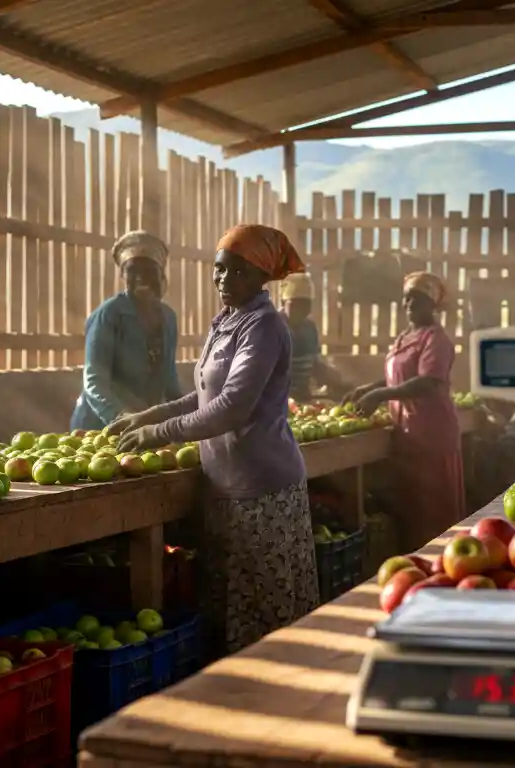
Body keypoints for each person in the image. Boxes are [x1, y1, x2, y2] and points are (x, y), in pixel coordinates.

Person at [109, 224, 319, 656]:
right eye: (219, 270)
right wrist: (152, 414)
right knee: (232, 610)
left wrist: (158, 434)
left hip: (262, 490)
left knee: (265, 616)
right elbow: (205, 393)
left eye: (238, 272)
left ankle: (274, 705)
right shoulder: (227, 321)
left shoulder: (264, 326)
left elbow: (231, 408)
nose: (225, 280)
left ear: (262, 277)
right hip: (225, 486)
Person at [345, 271, 466, 550]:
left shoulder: (436, 339)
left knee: (434, 516)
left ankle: (438, 574)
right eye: (407, 297)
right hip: (408, 439)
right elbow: (397, 376)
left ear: (433, 304)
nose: (410, 303)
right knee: (413, 516)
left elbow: (428, 382)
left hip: (432, 438)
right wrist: (369, 387)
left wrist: (380, 394)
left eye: (419, 298)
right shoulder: (406, 337)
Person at [71, 231, 183, 431]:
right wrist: (121, 417)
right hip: (98, 426)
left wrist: (187, 416)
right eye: (132, 271)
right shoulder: (108, 315)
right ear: (123, 276)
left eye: (149, 271)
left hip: (141, 426)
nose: (141, 278)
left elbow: (170, 380)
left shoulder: (168, 318)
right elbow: (95, 380)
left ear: (161, 274)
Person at [279, 273, 346, 401]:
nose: (301, 309)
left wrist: (336, 383)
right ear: (283, 302)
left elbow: (314, 364)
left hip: (302, 398)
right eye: (295, 304)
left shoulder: (309, 328)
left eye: (306, 304)